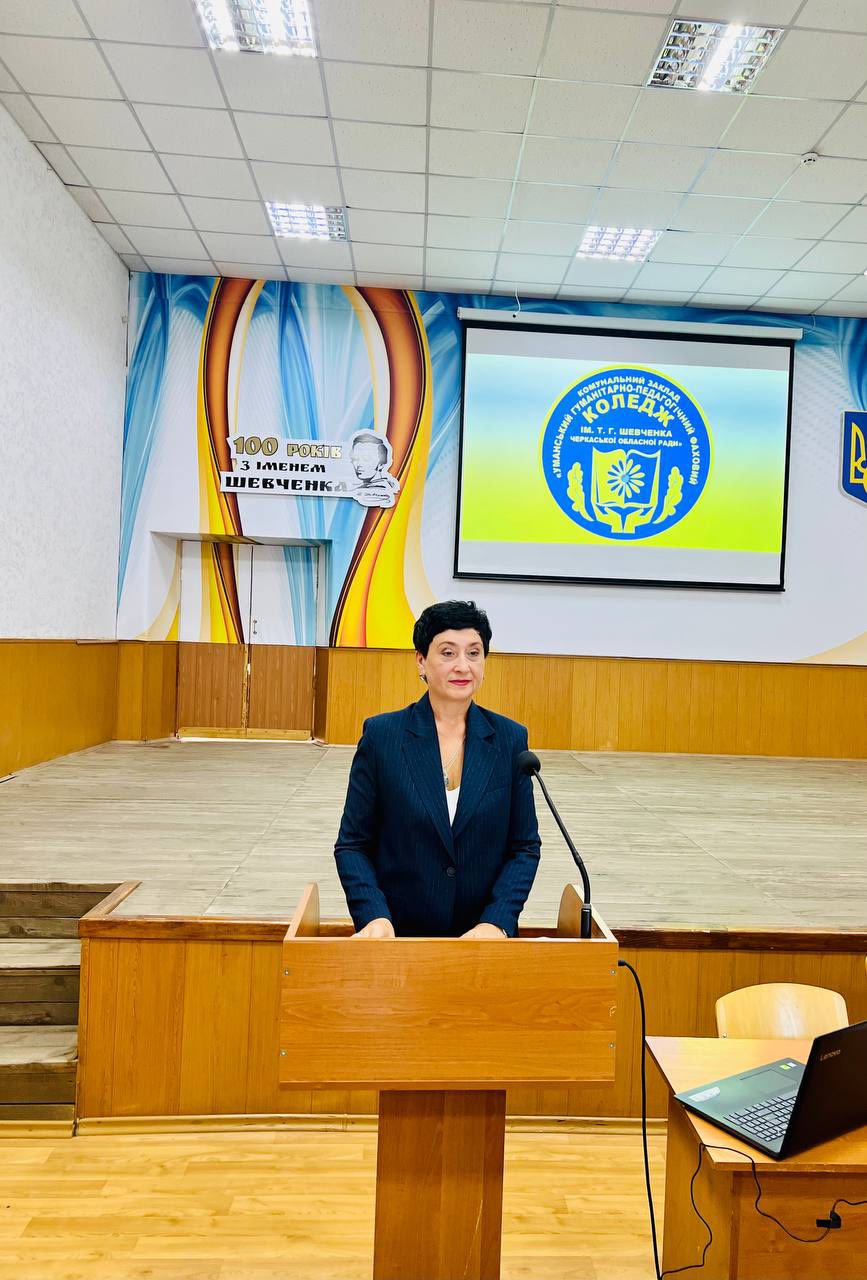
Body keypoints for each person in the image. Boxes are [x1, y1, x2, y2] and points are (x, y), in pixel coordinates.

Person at [333, 600, 541, 939]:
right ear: (421, 661)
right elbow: (353, 844)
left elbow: (524, 847)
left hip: (483, 942)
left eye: (473, 653)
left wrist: (497, 922)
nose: (463, 666)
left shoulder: (510, 739)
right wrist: (374, 917)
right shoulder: (383, 737)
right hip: (400, 938)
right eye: (448, 653)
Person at [347, 431, 400, 508]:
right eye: (356, 458)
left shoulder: (380, 491)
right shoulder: (357, 488)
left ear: (381, 464)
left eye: (366, 459)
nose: (359, 464)